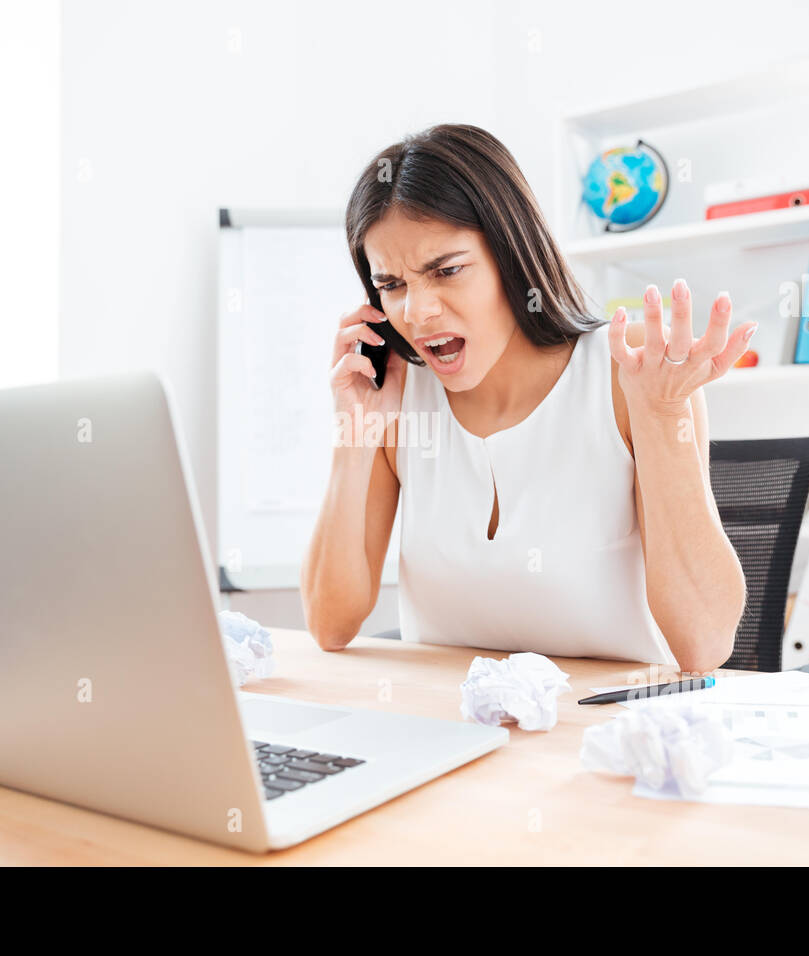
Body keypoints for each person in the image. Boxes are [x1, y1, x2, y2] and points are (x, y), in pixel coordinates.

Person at [300, 124, 756, 673]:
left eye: (446, 271)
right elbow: (329, 625)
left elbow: (705, 645)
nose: (417, 312)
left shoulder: (631, 371)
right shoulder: (397, 396)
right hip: (446, 730)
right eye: (392, 285)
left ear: (512, 255)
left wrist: (661, 415)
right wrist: (355, 435)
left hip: (603, 731)